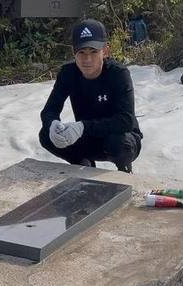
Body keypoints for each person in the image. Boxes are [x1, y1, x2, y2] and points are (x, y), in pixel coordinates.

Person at [39, 19, 143, 173]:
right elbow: (49, 110)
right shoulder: (68, 73)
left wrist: (82, 127)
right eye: (81, 52)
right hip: (87, 137)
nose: (87, 60)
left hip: (118, 139)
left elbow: (126, 120)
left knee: (120, 143)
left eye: (93, 52)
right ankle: (82, 163)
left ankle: (124, 171)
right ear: (74, 52)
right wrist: (52, 124)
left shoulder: (118, 74)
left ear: (105, 51)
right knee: (46, 135)